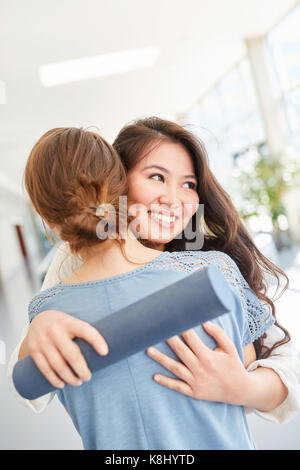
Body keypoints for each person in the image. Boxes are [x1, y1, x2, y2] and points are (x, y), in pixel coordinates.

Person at [8, 119, 300, 424]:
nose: (173, 200)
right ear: (116, 181)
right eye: (157, 177)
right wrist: (40, 324)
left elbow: (288, 372)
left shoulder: (211, 264)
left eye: (189, 185)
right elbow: (30, 388)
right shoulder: (73, 259)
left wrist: (242, 388)